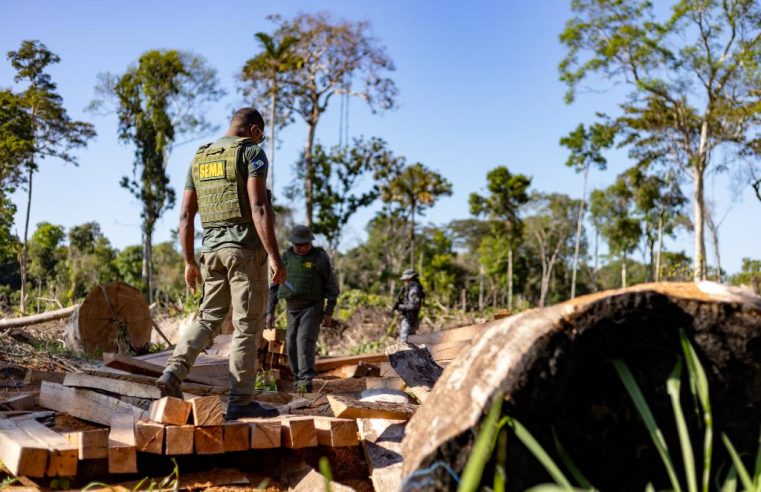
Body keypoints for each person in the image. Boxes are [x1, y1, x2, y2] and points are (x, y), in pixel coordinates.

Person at [156, 107, 286, 419]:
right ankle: (241, 402)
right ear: (254, 130)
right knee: (246, 326)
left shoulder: (200, 158)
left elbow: (186, 215)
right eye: (262, 134)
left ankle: (173, 371)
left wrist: (189, 261)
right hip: (243, 252)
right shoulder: (252, 152)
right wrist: (274, 255)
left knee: (207, 318)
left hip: (210, 252)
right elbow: (259, 206)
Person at [266, 225, 339, 392]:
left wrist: (328, 311)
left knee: (304, 341)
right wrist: (270, 312)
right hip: (292, 309)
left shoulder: (319, 257)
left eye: (305, 244)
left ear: (310, 242)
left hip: (312, 307)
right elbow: (274, 287)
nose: (302, 248)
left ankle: (305, 383)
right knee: (291, 343)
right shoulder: (285, 258)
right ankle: (297, 378)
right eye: (298, 245)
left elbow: (332, 287)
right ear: (292, 243)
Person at [393, 269, 425, 343]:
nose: (405, 281)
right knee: (411, 341)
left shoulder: (414, 289)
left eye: (406, 279)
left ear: (409, 278)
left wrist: (401, 306)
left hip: (411, 319)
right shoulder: (412, 288)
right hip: (411, 318)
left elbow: (414, 306)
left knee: (404, 342)